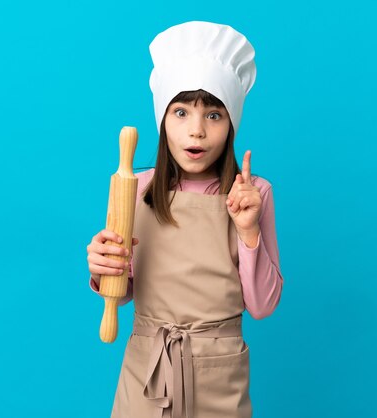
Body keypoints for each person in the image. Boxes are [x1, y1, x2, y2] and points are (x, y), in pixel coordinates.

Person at [86, 21, 283, 418]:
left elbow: (261, 306)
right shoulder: (135, 188)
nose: (196, 131)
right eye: (181, 112)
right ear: (162, 122)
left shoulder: (252, 193)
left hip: (219, 372)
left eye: (213, 115)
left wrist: (247, 231)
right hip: (148, 371)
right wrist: (103, 267)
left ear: (231, 125)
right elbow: (121, 294)